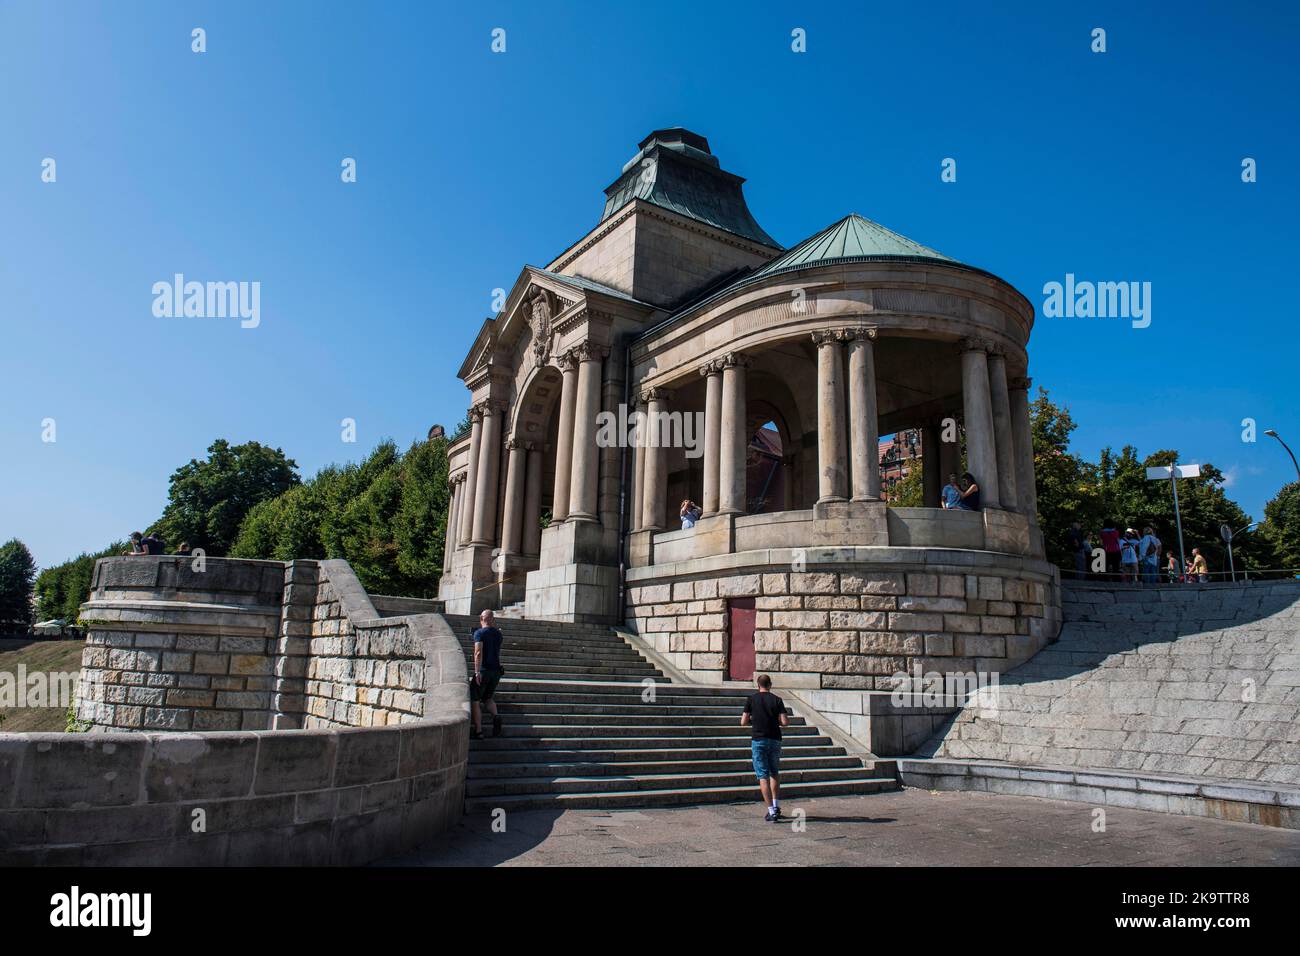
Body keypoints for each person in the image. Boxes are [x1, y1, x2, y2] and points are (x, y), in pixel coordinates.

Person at [741, 673, 789, 822]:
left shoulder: (751, 699)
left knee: (763, 776)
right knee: (774, 773)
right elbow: (785, 722)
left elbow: (743, 722)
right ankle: (776, 806)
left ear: (758, 685)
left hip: (758, 740)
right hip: (774, 739)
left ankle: (771, 811)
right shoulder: (777, 700)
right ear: (770, 685)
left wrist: (754, 722)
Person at [469, 609, 505, 739]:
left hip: (484, 671)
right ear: (493, 619)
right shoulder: (498, 634)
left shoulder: (479, 633)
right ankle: (496, 716)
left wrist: (477, 671)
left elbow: (478, 652)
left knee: (475, 700)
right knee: (488, 698)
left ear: (481, 618)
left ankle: (478, 731)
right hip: (496, 671)